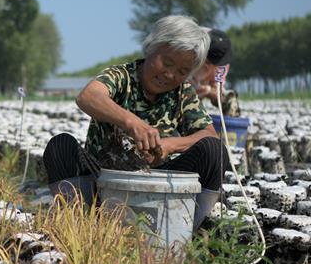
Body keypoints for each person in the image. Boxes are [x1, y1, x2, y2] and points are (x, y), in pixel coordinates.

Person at [44, 15, 228, 230]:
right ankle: (84, 225)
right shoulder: (122, 76)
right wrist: (132, 123)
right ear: (151, 48)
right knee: (61, 146)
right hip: (104, 180)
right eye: (167, 62)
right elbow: (88, 97)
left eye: (182, 71)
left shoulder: (182, 93)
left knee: (214, 150)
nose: (169, 75)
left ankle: (183, 231)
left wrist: (170, 145)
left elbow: (208, 133)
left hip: (158, 183)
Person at [192, 28, 241, 117]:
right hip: (190, 80)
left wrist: (218, 94)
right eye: (209, 62)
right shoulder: (191, 49)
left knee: (228, 101)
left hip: (203, 82)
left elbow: (218, 82)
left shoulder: (222, 54)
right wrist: (208, 91)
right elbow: (186, 85)